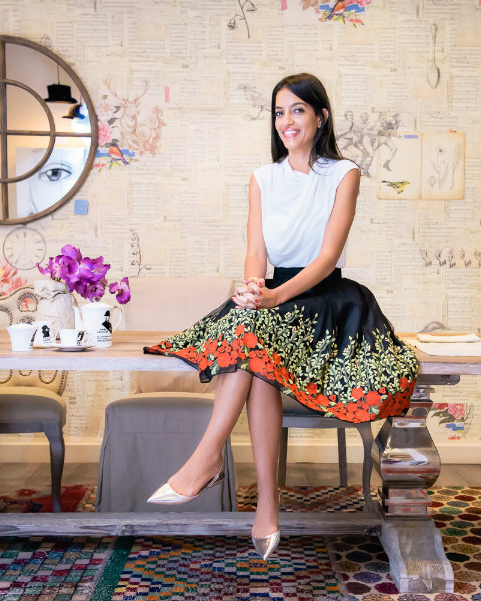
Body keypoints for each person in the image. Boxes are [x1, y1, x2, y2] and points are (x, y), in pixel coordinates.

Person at [143, 73, 419, 561]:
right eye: (279, 111)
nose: (286, 121)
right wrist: (254, 287)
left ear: (321, 117)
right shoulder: (262, 178)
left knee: (253, 341)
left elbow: (326, 259)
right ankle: (264, 503)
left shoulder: (344, 173)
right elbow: (256, 250)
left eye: (297, 110)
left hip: (326, 299)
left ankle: (208, 460)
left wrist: (273, 298)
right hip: (271, 297)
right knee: (254, 350)